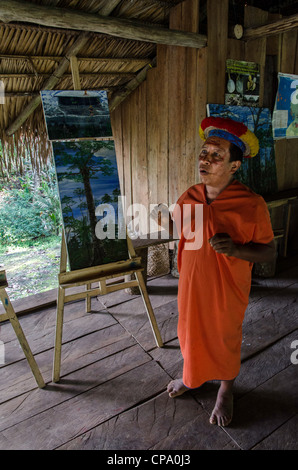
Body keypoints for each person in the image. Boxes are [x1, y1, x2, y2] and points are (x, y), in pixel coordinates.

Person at [155, 117, 275, 427]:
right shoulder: (192, 195)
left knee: (224, 337)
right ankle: (192, 377)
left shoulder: (251, 204)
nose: (205, 159)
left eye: (216, 154)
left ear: (235, 165)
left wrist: (235, 250)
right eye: (204, 152)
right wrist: (164, 222)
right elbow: (179, 228)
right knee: (189, 332)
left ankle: (225, 389)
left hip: (227, 288)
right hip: (192, 283)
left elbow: (268, 250)